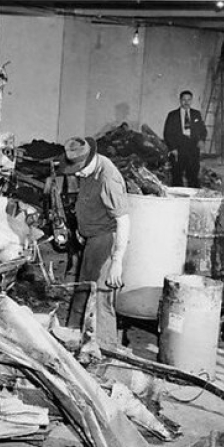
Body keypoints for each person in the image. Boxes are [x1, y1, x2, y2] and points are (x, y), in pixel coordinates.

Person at [61, 136, 129, 348]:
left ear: (90, 159)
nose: (77, 174)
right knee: (83, 289)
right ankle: (72, 336)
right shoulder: (88, 169)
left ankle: (105, 349)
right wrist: (82, 228)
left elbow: (123, 221)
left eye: (79, 169)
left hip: (106, 240)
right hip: (91, 238)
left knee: (100, 296)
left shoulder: (108, 179)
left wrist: (116, 261)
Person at [163, 90, 207, 188]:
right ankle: (178, 195)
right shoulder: (172, 115)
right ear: (180, 100)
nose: (186, 102)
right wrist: (172, 148)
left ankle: (193, 194)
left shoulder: (196, 114)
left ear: (191, 100)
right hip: (178, 148)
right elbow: (167, 133)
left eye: (189, 100)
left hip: (193, 148)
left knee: (193, 175)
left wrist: (201, 140)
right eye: (184, 100)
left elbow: (203, 130)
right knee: (177, 175)